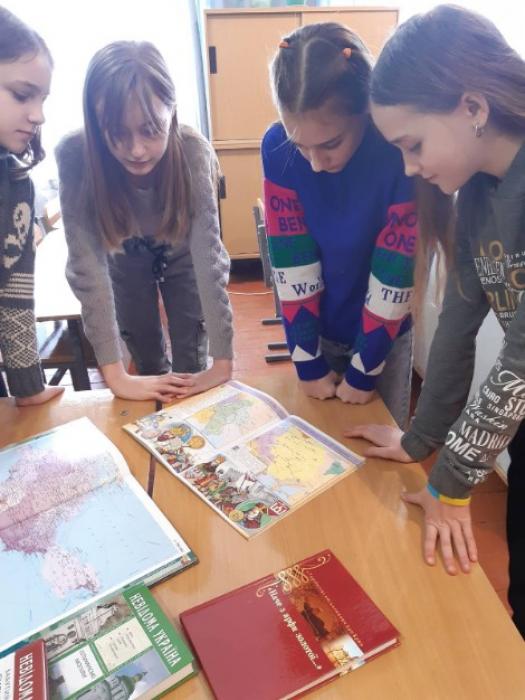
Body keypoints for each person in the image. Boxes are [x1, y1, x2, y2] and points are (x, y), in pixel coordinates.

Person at [347, 4, 525, 638]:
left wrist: (451, 483)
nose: (409, 166)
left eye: (413, 144)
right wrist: (420, 439)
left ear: (472, 107)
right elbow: (457, 324)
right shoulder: (476, 192)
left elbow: (520, 362)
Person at [56, 41, 233, 402]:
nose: (136, 150)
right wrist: (116, 375)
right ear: (96, 123)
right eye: (118, 133)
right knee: (147, 357)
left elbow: (208, 259)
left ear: (172, 111)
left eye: (151, 129)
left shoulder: (193, 151)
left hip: (184, 256)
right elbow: (87, 268)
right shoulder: (75, 155)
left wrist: (223, 361)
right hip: (124, 258)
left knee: (191, 359)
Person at [261, 22, 417, 428]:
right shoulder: (276, 149)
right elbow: (291, 260)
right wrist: (306, 359)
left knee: (379, 449)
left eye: (330, 144)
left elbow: (396, 270)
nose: (315, 163)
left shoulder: (398, 151)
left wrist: (365, 370)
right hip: (319, 331)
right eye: (300, 145)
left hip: (387, 337)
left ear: (365, 110)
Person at [0, 7, 63, 406]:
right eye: (22, 95)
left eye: (42, 99)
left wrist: (28, 388)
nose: (38, 115)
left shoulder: (16, 183)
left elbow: (15, 295)